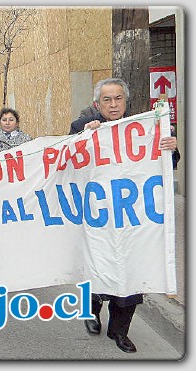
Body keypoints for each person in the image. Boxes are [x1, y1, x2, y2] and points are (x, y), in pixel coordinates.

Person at [69, 77, 177, 354]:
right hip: (97, 219)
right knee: (97, 270)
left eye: (118, 99)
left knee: (131, 275)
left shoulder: (144, 128)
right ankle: (91, 312)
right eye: (107, 99)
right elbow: (68, 163)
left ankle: (119, 332)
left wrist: (171, 148)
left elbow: (167, 165)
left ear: (125, 102)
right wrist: (85, 137)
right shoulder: (82, 127)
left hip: (133, 220)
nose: (113, 104)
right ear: (97, 103)